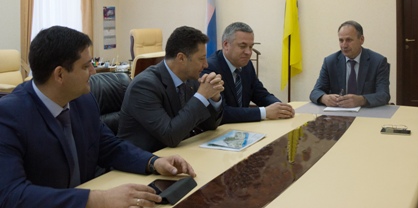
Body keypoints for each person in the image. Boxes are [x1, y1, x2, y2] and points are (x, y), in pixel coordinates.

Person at [0, 26, 196, 208]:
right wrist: (97, 199)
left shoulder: (83, 100)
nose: (93, 72)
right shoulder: (9, 115)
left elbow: (107, 146)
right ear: (59, 75)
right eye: (86, 66)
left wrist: (153, 162)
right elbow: (11, 194)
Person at [119, 26, 224, 152]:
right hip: (146, 158)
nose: (206, 65)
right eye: (201, 59)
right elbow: (170, 135)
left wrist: (214, 97)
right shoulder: (144, 86)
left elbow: (209, 125)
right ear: (181, 58)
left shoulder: (190, 79)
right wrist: (201, 96)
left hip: (178, 153)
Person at [204, 22, 295, 123]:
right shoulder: (210, 68)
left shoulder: (246, 65)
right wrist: (264, 112)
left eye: (251, 47)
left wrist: (281, 107)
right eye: (242, 46)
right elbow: (222, 112)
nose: (248, 52)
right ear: (226, 45)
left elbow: (260, 94)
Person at [310, 20, 390, 108]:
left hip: (368, 112)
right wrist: (324, 98)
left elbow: (384, 95)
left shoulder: (378, 62)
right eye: (341, 40)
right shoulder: (330, 62)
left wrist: (361, 100)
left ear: (361, 39)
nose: (344, 45)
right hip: (338, 114)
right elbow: (315, 92)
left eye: (349, 40)